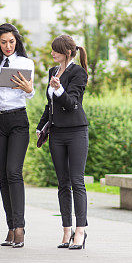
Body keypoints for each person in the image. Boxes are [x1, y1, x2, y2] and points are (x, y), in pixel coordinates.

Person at [0, 23, 35, 248]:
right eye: (3, 42)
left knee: (14, 172)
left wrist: (29, 89)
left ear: (17, 41)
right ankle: (10, 227)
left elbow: (31, 93)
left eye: (11, 41)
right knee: (2, 175)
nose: (8, 46)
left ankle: (20, 227)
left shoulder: (26, 63)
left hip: (18, 120)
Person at [36, 35, 90, 250]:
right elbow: (49, 106)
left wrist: (59, 89)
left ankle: (80, 231)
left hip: (76, 132)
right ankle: (66, 230)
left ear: (67, 52)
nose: (52, 53)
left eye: (56, 50)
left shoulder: (79, 73)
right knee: (62, 183)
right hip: (56, 133)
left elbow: (72, 104)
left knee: (77, 182)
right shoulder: (52, 72)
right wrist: (41, 126)